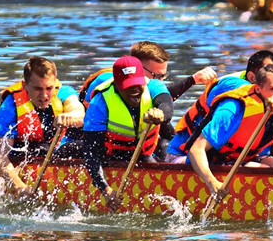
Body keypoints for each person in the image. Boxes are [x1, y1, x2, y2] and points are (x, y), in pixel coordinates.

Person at [79, 41, 216, 159]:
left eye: (164, 76)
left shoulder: (151, 87)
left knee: (168, 139)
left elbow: (163, 98)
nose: (160, 82)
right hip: (102, 142)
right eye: (156, 75)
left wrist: (193, 80)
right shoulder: (105, 82)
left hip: (138, 139)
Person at [83, 56, 173, 211]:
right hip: (110, 156)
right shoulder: (100, 102)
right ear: (117, 84)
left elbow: (167, 105)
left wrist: (161, 113)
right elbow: (91, 153)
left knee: (166, 145)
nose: (135, 90)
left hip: (143, 153)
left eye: (138, 83)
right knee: (70, 150)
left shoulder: (154, 86)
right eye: (129, 85)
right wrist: (105, 189)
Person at [187, 64, 273, 198]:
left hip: (238, 159)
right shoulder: (232, 109)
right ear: (258, 89)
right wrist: (213, 184)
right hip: (203, 162)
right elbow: (196, 150)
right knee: (260, 168)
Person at [166, 50, 273, 164]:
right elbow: (197, 150)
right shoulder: (231, 87)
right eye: (268, 72)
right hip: (183, 155)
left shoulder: (271, 95)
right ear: (252, 78)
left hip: (230, 158)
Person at [0, 56, 85, 197]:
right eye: (37, 89)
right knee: (42, 150)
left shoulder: (64, 93)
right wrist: (19, 187)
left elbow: (79, 112)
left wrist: (70, 116)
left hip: (51, 149)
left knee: (85, 146)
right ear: (25, 86)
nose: (44, 95)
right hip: (21, 151)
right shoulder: (10, 106)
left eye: (49, 88)